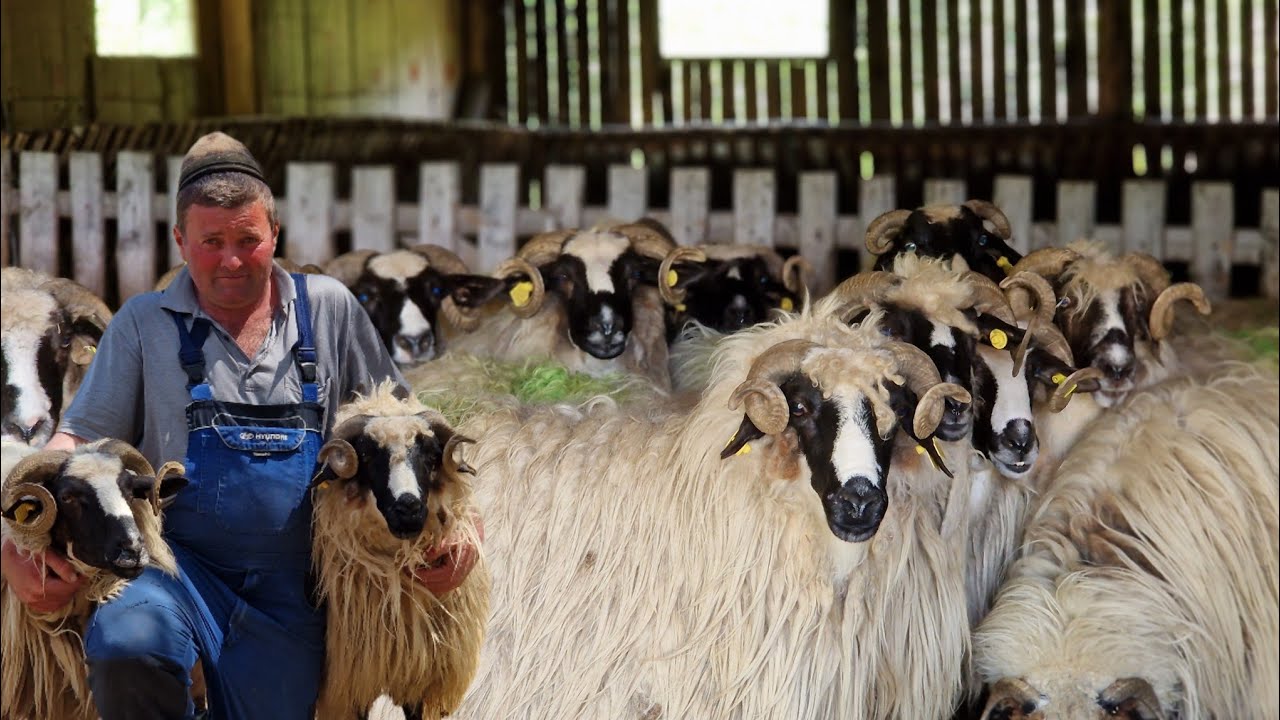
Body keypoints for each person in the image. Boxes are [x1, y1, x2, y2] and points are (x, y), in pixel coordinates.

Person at [0, 132, 481, 719]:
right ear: (181, 241)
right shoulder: (143, 324)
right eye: (211, 242)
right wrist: (16, 541)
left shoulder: (327, 309)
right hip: (174, 570)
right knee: (128, 643)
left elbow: (403, 425)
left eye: (248, 240)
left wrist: (461, 529)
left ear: (274, 234)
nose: (231, 259)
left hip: (301, 591)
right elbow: (77, 438)